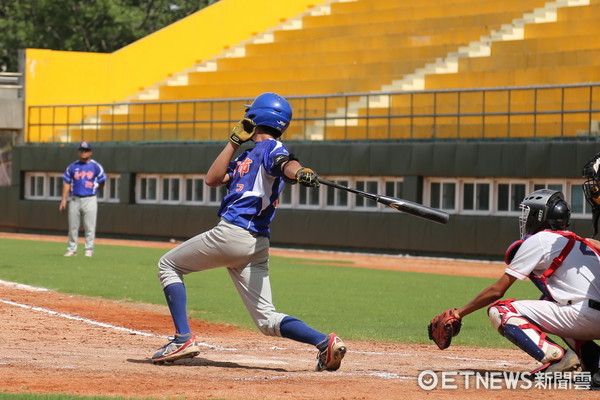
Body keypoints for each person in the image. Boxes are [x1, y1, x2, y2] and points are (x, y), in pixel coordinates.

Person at [151, 92, 347, 371]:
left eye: (250, 114)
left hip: (233, 233)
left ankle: (183, 339)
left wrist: (300, 170)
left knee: (168, 264)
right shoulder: (247, 154)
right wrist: (233, 142)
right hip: (255, 243)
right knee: (267, 320)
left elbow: (285, 163)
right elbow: (213, 179)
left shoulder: (271, 148)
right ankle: (324, 343)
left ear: (258, 117)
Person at [430, 189, 600, 376]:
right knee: (548, 300)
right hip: (591, 315)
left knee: (501, 310)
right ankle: (594, 360)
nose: (526, 218)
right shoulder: (580, 241)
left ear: (540, 216)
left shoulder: (541, 240)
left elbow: (497, 291)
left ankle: (556, 358)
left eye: (530, 213)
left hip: (585, 318)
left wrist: (459, 313)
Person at [59, 141, 106, 257]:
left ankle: (89, 249)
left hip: (90, 198)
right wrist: (64, 200)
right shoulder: (73, 166)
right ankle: (72, 249)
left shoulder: (95, 166)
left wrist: (95, 189)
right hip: (75, 198)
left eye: (85, 150)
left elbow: (102, 181)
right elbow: (66, 183)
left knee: (89, 226)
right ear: (78, 152)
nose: (83, 152)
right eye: (81, 150)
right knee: (73, 226)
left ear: (90, 152)